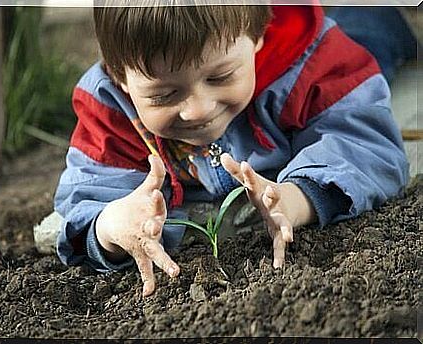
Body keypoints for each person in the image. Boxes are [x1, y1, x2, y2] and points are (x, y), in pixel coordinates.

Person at [53, 2, 409, 297]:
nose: (198, 110)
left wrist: (296, 198)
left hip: (345, 41)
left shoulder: (310, 64)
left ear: (257, 37)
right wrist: (110, 225)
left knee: (368, 34)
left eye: (220, 78)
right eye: (164, 95)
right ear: (120, 77)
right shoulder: (113, 113)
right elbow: (88, 193)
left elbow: (363, 139)